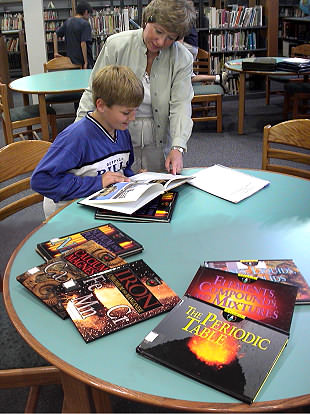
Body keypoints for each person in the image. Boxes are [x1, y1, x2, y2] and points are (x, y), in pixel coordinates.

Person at [76, 0, 197, 175]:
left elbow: (181, 104)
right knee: (116, 190)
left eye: (170, 38)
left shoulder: (182, 58)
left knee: (158, 193)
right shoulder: (116, 45)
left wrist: (178, 147)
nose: (161, 42)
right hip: (115, 136)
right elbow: (94, 93)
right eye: (158, 31)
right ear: (147, 19)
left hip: (159, 138)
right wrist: (78, 134)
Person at [31, 65, 144, 219]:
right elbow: (41, 181)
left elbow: (123, 167)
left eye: (135, 111)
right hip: (67, 214)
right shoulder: (75, 138)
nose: (132, 118)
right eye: (126, 113)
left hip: (100, 205)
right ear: (101, 105)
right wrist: (97, 183)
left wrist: (134, 180)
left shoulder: (121, 130)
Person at [180, 26, 229, 93]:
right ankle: (218, 78)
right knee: (189, 76)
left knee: (184, 77)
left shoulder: (179, 17)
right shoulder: (187, 17)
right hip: (192, 45)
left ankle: (218, 78)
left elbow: (179, 39)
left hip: (187, 45)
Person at [54, 1, 94, 69]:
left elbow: (55, 34)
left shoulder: (68, 22)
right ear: (86, 12)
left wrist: (56, 52)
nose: (89, 17)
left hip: (70, 61)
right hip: (82, 62)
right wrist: (86, 62)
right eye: (89, 14)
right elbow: (83, 43)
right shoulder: (85, 24)